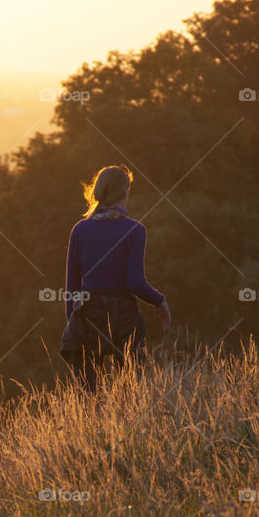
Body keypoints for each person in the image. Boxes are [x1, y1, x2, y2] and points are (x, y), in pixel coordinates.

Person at [60, 164, 170, 391]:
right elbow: (135, 282)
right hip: (124, 315)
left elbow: (71, 287)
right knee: (130, 392)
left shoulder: (80, 230)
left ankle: (88, 426)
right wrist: (159, 300)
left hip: (89, 312)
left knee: (87, 396)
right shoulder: (136, 230)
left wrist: (73, 322)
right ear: (126, 192)